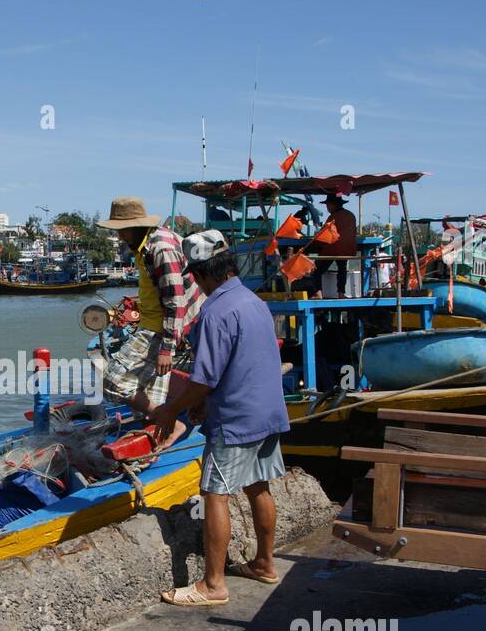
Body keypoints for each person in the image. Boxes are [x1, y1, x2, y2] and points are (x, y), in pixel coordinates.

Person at [151, 230, 292, 607]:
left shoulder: (215, 312)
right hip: (267, 411)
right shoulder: (253, 301)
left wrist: (171, 408)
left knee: (214, 494)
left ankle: (213, 585)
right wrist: (203, 403)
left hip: (236, 419)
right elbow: (240, 365)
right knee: (258, 485)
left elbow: (205, 378)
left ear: (198, 275)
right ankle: (264, 563)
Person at [98, 196, 203, 430]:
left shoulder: (160, 248)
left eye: (122, 230)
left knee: (112, 382)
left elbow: (175, 301)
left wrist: (167, 348)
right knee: (152, 390)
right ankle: (160, 430)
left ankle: (168, 420)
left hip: (161, 327)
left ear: (136, 226)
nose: (120, 236)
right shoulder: (146, 244)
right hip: (155, 323)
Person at [311, 194, 359, 298]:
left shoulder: (333, 217)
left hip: (331, 250)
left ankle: (318, 293)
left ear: (333, 205)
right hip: (347, 250)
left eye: (328, 205)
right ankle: (341, 293)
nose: (327, 207)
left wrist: (315, 244)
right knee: (342, 269)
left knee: (316, 270)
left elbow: (324, 235)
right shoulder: (350, 215)